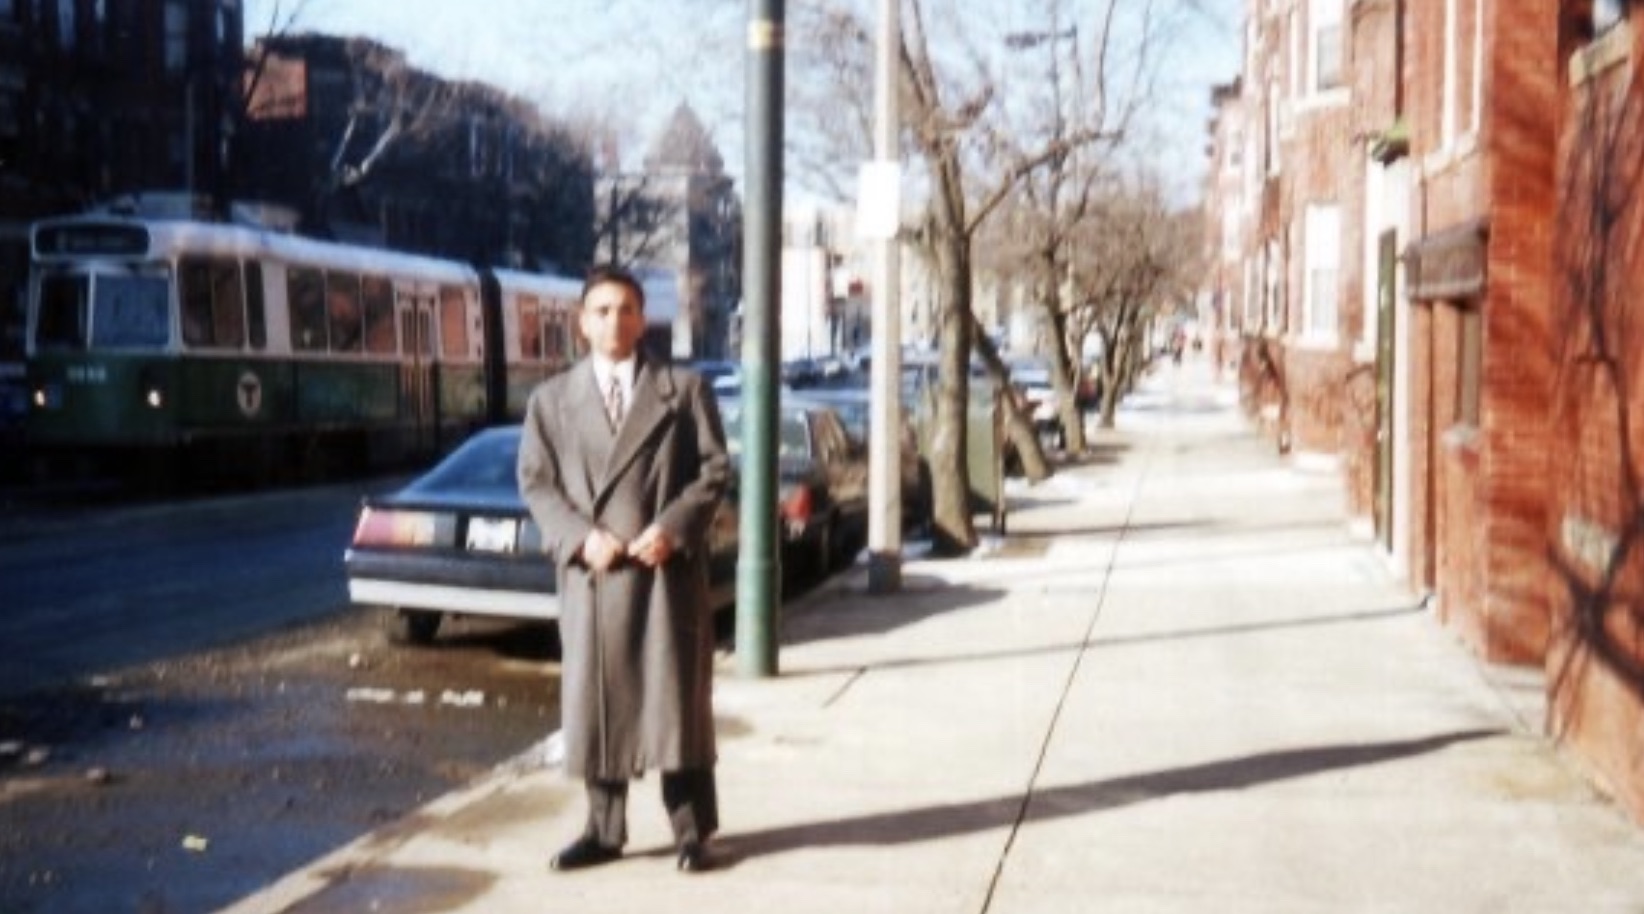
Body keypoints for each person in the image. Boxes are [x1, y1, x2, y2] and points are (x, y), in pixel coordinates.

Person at [517, 264, 731, 874]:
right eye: (603, 311)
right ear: (582, 323)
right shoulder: (550, 402)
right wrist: (580, 539)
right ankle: (602, 830)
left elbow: (715, 470)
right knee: (598, 703)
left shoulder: (683, 390)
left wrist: (673, 528)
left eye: (627, 310)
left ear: (643, 320)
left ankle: (693, 832)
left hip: (665, 577)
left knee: (678, 706)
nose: (616, 322)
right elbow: (536, 483)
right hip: (596, 579)